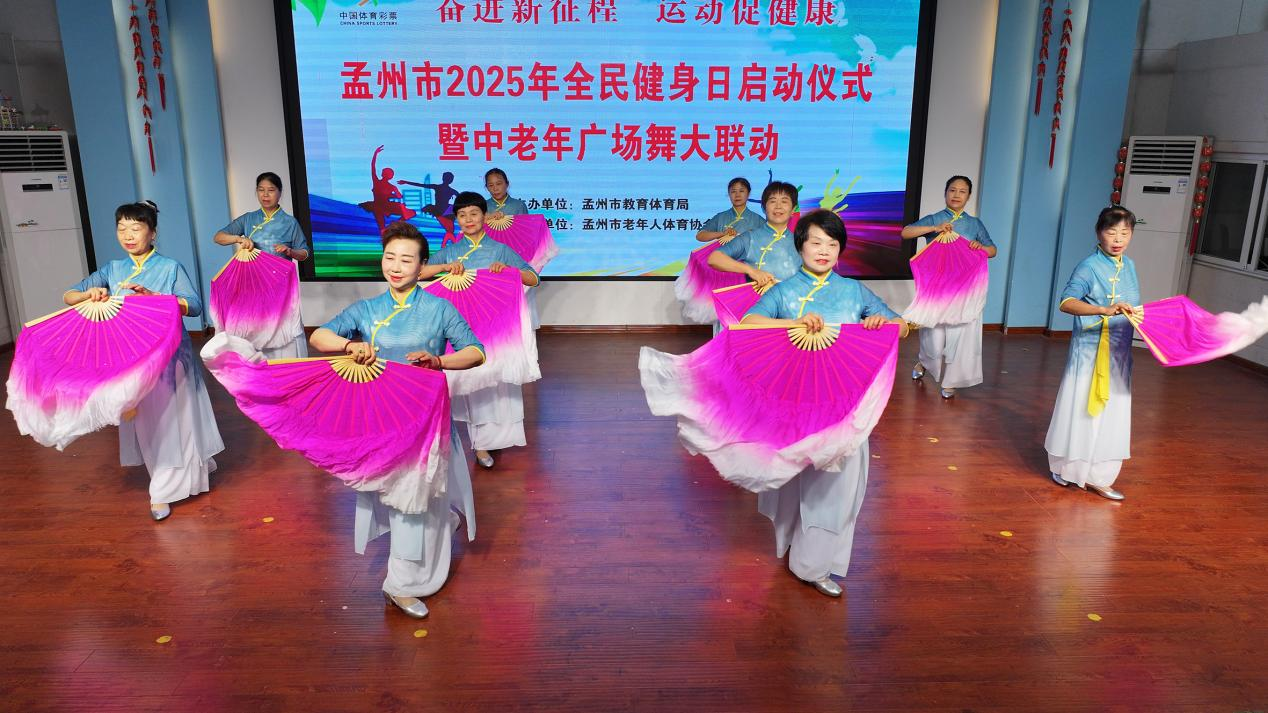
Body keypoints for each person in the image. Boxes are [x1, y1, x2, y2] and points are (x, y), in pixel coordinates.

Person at [309, 221, 486, 618]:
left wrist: (439, 361)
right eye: (390, 257)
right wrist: (350, 345)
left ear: (422, 266)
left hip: (426, 417)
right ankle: (409, 575)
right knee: (404, 498)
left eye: (407, 260)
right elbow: (319, 337)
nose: (396, 266)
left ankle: (405, 581)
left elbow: (476, 351)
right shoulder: (367, 309)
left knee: (421, 496)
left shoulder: (439, 308)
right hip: (381, 416)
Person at [740, 210, 908, 596]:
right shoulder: (783, 291)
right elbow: (749, 323)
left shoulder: (853, 291)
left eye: (832, 244)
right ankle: (795, 544)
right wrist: (794, 324)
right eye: (816, 242)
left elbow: (901, 325)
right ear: (800, 246)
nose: (824, 250)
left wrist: (880, 323)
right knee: (794, 479)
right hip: (796, 400)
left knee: (837, 486)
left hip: (845, 402)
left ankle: (812, 564)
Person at [63, 201, 224, 521]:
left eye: (136, 228)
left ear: (152, 233)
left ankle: (165, 490)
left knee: (175, 420)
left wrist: (157, 299)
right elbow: (69, 295)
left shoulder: (170, 267)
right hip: (131, 359)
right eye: (122, 228)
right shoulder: (112, 269)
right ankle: (172, 480)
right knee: (148, 423)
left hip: (170, 356)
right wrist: (88, 294)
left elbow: (194, 306)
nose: (128, 235)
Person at [421, 192, 540, 470]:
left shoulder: (500, 250)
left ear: (484, 216)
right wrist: (445, 267)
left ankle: (495, 438)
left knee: (496, 382)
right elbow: (420, 273)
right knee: (473, 381)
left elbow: (534, 278)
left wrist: (509, 270)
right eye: (462, 215)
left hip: (496, 326)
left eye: (474, 213)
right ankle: (481, 443)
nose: (468, 219)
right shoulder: (451, 251)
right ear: (457, 220)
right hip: (463, 328)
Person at [1044, 206, 1140, 501]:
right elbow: (1066, 302)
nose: (1118, 239)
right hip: (1088, 355)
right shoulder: (1088, 266)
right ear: (1099, 233)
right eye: (1111, 232)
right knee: (1082, 411)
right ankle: (1067, 469)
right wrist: (1102, 309)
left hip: (1119, 355)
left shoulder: (1129, 266)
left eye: (1125, 233)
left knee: (1113, 414)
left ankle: (1100, 477)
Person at [900, 175, 997, 399]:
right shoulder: (935, 218)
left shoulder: (975, 224)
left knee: (960, 337)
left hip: (965, 290)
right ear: (945, 193)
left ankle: (952, 380)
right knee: (933, 339)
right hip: (938, 290)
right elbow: (906, 232)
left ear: (968, 196)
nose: (956, 195)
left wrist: (980, 247)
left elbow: (993, 250)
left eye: (962, 191)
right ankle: (924, 361)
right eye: (952, 190)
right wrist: (934, 228)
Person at [212, 171, 311, 359]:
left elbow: (305, 253)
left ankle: (282, 370)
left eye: (271, 190)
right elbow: (218, 237)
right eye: (261, 190)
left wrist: (290, 252)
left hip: (278, 289)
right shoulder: (248, 219)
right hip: (251, 287)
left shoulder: (289, 222)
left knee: (282, 332)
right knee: (251, 329)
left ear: (280, 193)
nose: (265, 195)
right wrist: (239, 239)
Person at [707, 181, 802, 288]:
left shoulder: (801, 243)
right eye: (772, 201)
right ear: (763, 208)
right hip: (753, 298)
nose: (778, 206)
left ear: (793, 209)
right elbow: (714, 258)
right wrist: (751, 271)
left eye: (784, 201)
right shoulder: (750, 237)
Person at [358, 145, 417, 234]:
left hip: (383, 206)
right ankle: (393, 225)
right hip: (380, 206)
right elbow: (399, 196)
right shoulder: (384, 184)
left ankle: (393, 225)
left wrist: (375, 154)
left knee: (409, 213)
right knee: (409, 213)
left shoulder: (382, 183)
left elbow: (373, 167)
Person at [694, 177, 766, 244]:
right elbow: (700, 236)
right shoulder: (720, 217)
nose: (737, 195)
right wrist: (722, 233)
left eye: (741, 191)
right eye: (733, 191)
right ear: (729, 194)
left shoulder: (758, 220)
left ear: (748, 194)